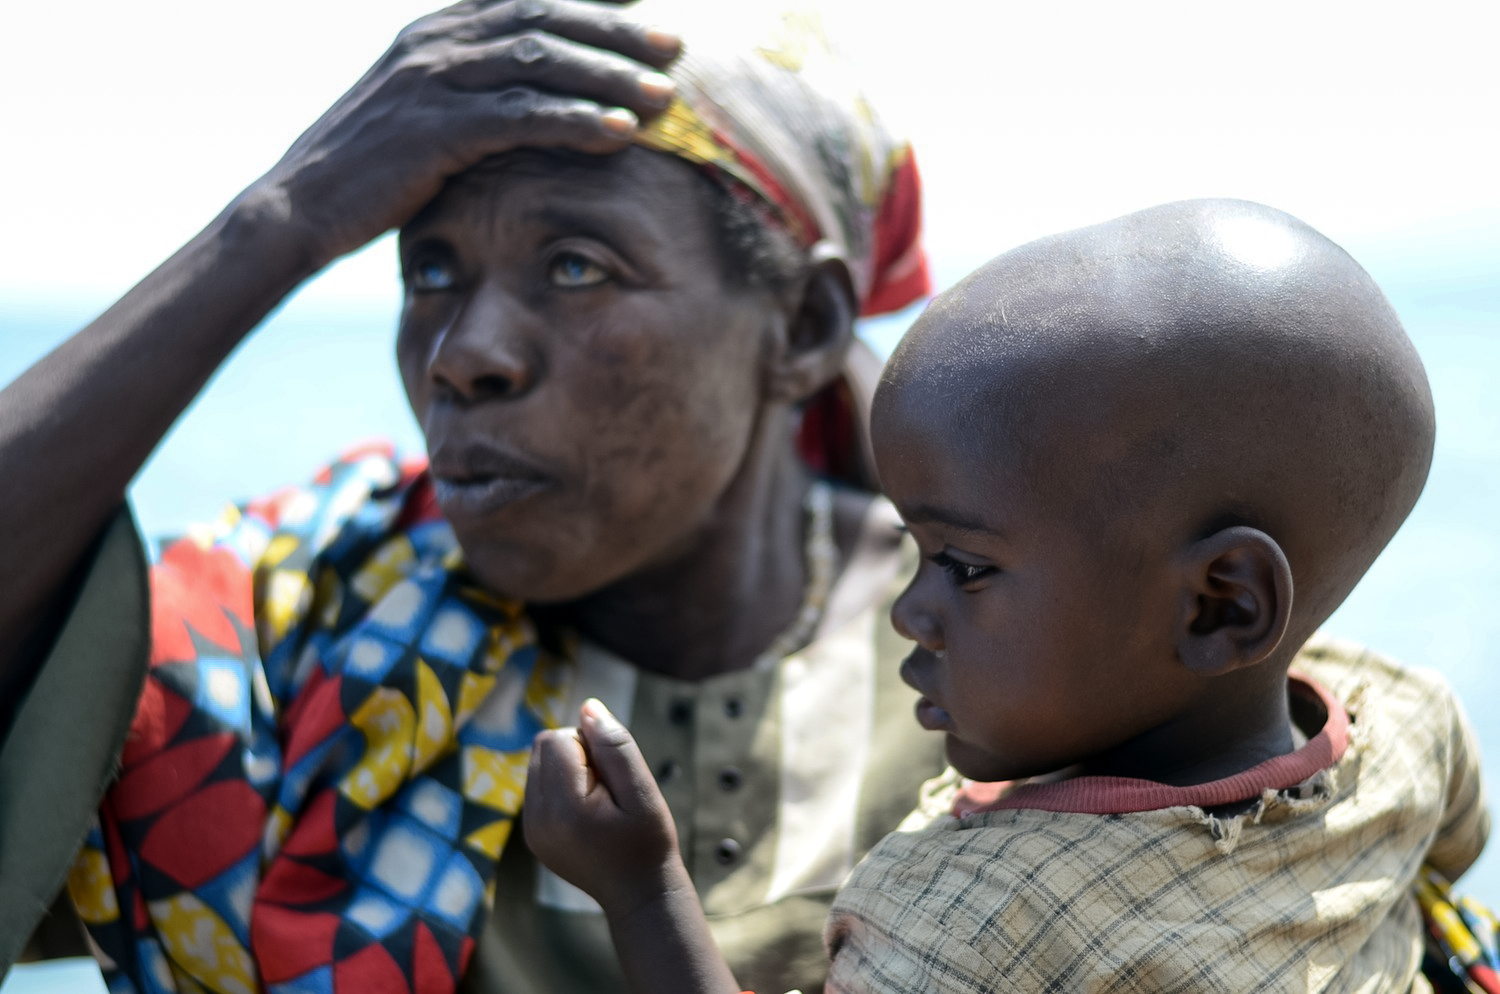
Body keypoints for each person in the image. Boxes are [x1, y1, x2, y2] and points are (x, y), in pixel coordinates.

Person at [0, 3, 947, 992]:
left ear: (802, 324)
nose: (463, 356)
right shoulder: (300, 647)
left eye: (578, 266)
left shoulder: (998, 666)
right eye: (432, 271)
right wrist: (274, 226)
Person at [522, 199, 1491, 993]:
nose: (910, 610)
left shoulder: (970, 919)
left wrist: (643, 887)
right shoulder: (1403, 719)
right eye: (915, 549)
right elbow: (1453, 854)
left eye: (965, 565)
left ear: (1220, 606)